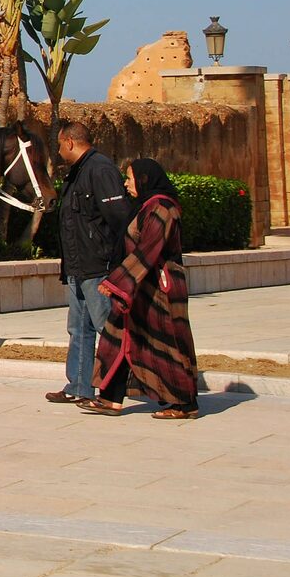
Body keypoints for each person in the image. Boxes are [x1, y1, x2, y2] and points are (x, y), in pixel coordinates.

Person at [81, 158, 200, 418]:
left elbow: (149, 248)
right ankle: (111, 397)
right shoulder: (146, 206)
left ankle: (183, 403)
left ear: (144, 179)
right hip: (139, 286)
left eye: (130, 178)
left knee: (167, 343)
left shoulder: (162, 208)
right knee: (118, 336)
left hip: (160, 289)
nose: (125, 183)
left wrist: (117, 282)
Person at [45, 122, 131, 406]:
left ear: (70, 142)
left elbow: (119, 218)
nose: (58, 152)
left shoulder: (100, 169)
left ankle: (111, 390)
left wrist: (114, 264)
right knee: (79, 329)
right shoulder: (78, 171)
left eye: (59, 145)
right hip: (77, 268)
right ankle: (79, 386)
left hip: (98, 267)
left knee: (107, 329)